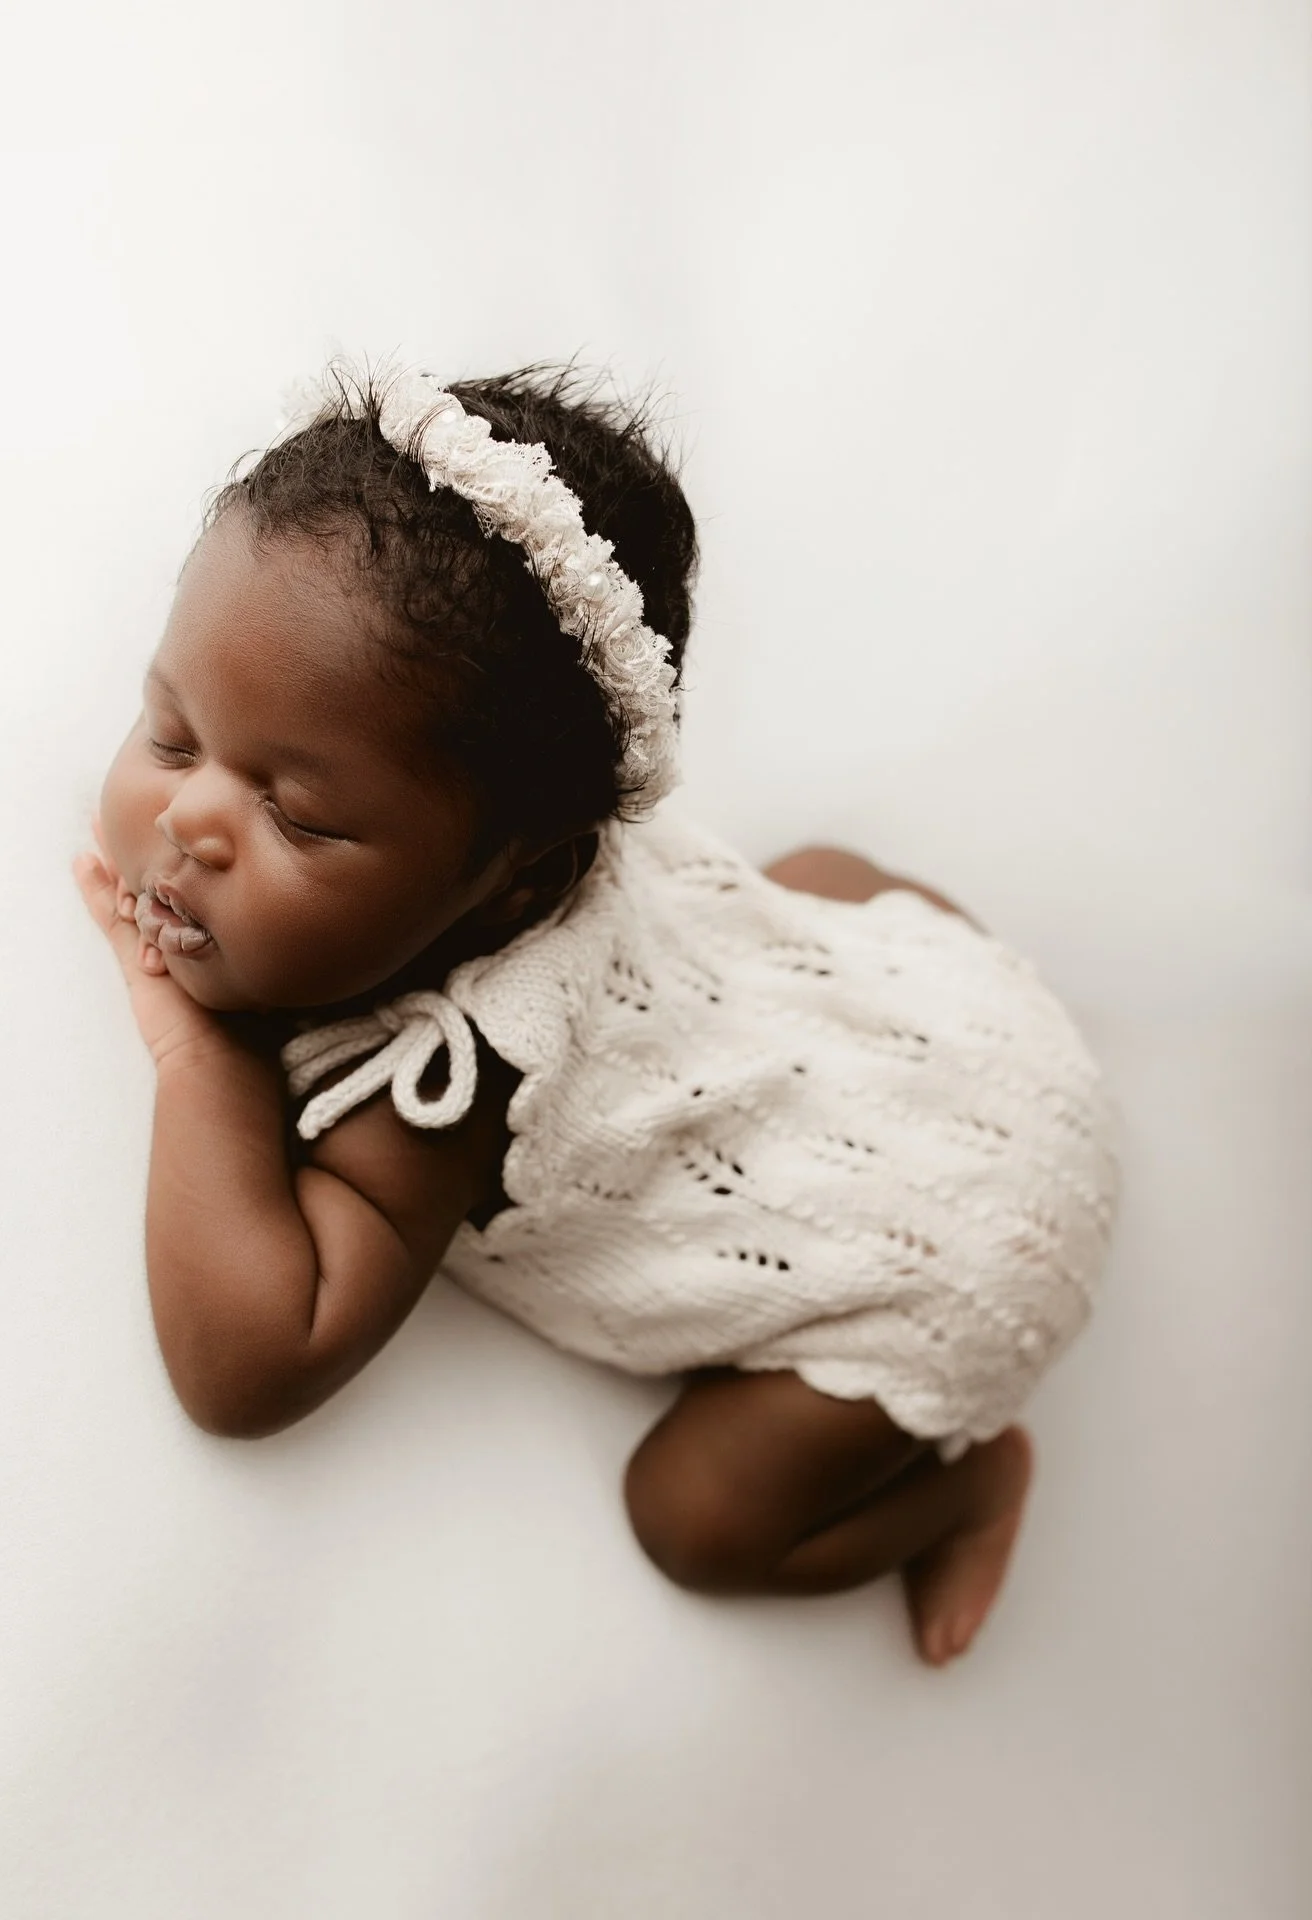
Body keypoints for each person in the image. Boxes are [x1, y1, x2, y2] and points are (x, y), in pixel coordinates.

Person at [74, 362, 1120, 1666]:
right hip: (951, 1014)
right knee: (816, 877)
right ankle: (945, 1018)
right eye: (173, 733)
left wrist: (199, 1049)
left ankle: (968, 1484)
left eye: (298, 817)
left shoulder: (445, 1085)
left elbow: (249, 1368)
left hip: (947, 1272)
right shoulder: (529, 835)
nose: (185, 821)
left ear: (516, 883)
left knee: (697, 1521)